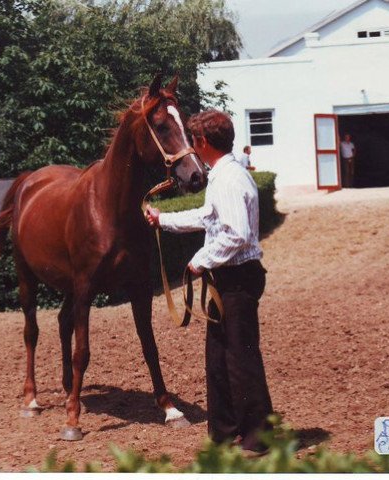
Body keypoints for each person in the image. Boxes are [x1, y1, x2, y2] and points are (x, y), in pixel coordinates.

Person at [145, 109, 273, 453]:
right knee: (219, 358)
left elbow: (237, 234)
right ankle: (226, 431)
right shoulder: (225, 174)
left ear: (202, 142)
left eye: (193, 140)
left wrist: (201, 260)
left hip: (237, 280)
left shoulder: (229, 179)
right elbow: (208, 216)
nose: (191, 147)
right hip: (228, 279)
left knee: (241, 359)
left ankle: (257, 439)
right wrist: (164, 219)